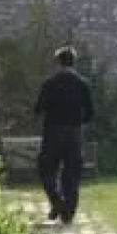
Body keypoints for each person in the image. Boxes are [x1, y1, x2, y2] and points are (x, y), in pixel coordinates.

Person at [34, 45, 94, 223]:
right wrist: (78, 122)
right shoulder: (83, 84)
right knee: (72, 173)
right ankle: (68, 211)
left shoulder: (50, 83)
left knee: (46, 170)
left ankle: (57, 201)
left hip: (53, 131)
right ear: (74, 62)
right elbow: (90, 112)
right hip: (74, 133)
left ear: (58, 62)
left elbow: (38, 108)